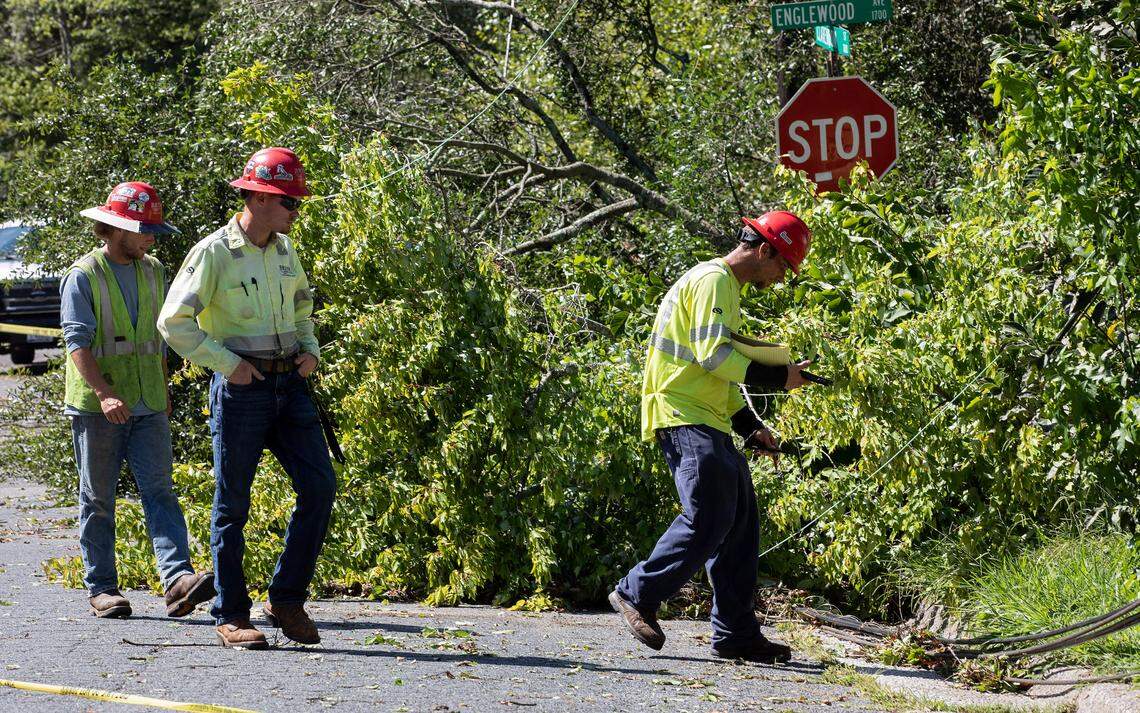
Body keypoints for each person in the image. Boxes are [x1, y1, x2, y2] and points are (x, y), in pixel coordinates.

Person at [609, 211, 815, 662]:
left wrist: (750, 427)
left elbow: (718, 376)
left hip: (706, 416)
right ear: (764, 250)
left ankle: (737, 634)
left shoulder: (725, 289)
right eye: (783, 265)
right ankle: (636, 592)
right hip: (682, 414)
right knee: (708, 516)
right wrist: (780, 378)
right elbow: (712, 356)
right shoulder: (713, 280)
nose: (781, 277)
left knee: (739, 526)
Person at [158, 147, 335, 649]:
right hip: (244, 389)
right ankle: (231, 614)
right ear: (257, 196)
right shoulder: (213, 252)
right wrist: (228, 365)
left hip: (290, 386)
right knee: (233, 504)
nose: (296, 211)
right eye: (288, 201)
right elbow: (173, 323)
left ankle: (286, 598)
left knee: (319, 488)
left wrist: (310, 349)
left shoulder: (283, 249)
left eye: (296, 202)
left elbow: (303, 305)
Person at [63, 182, 215, 619]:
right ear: (115, 228)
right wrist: (104, 393)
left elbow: (157, 337)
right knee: (98, 498)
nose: (152, 236)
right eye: (143, 229)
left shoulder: (154, 270)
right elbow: (77, 343)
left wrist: (163, 389)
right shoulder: (84, 275)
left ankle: (177, 580)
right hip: (99, 407)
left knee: (160, 491)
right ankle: (102, 588)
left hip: (148, 401)